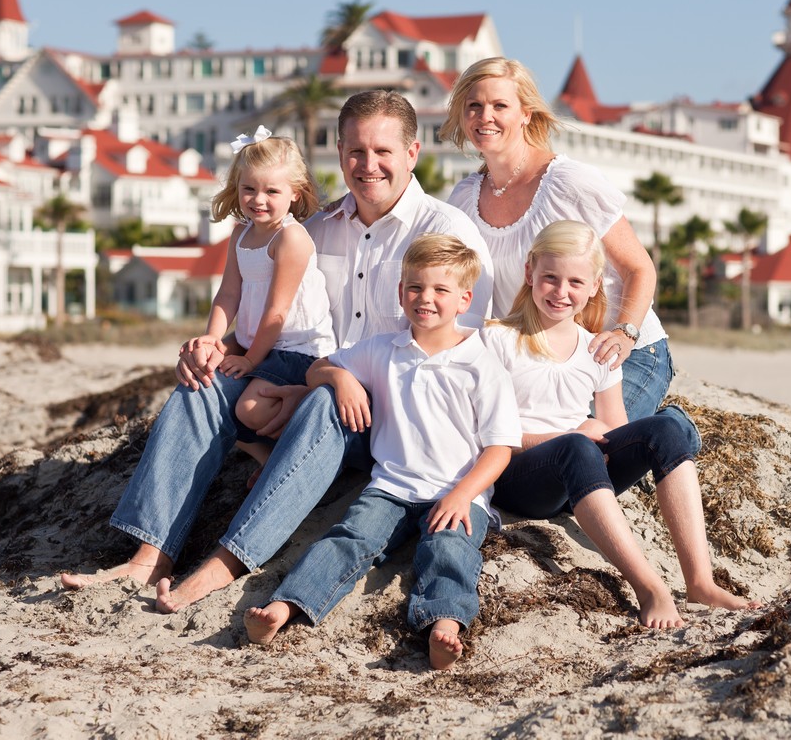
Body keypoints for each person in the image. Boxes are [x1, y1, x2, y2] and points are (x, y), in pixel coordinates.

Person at [61, 91, 494, 597]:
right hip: (307, 379)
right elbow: (273, 318)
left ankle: (225, 562)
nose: (368, 165)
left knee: (328, 403)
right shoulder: (312, 230)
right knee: (201, 388)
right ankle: (150, 554)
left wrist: (316, 387)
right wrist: (214, 346)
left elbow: (453, 358)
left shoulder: (446, 233)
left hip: (385, 415)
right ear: (338, 152)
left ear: (412, 153)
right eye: (355, 151)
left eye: (383, 152)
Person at [244, 234, 519, 670]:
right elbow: (317, 369)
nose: (425, 299)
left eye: (440, 290)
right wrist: (343, 379)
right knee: (348, 539)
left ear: (465, 298)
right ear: (400, 292)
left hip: (457, 493)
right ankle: (285, 607)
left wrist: (463, 495)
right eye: (415, 287)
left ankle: (444, 623)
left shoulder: (481, 364)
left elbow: (499, 449)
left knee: (450, 548)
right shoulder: (382, 349)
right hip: (390, 488)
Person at [480, 220, 756, 629]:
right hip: (522, 478)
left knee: (665, 429)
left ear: (594, 286)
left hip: (581, 477)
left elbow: (614, 431)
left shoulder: (596, 349)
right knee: (577, 446)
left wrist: (602, 439)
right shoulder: (497, 340)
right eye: (550, 278)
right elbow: (486, 435)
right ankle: (649, 589)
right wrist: (568, 435)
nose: (561, 292)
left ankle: (700, 581)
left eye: (576, 281)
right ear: (529, 273)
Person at [440, 57, 686, 423]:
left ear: (526, 114)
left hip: (620, 355)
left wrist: (625, 333)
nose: (484, 116)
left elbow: (640, 268)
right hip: (538, 358)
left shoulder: (570, 182)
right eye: (473, 106)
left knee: (582, 444)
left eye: (499, 106)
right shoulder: (463, 199)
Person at [184, 127, 336, 478]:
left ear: (294, 193)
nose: (258, 199)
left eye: (272, 191)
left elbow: (277, 312)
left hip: (297, 349)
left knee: (250, 408)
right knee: (212, 390)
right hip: (260, 347)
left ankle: (297, 453)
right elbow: (228, 294)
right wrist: (213, 339)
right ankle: (266, 456)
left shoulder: (291, 238)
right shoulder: (240, 232)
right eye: (248, 188)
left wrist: (249, 360)